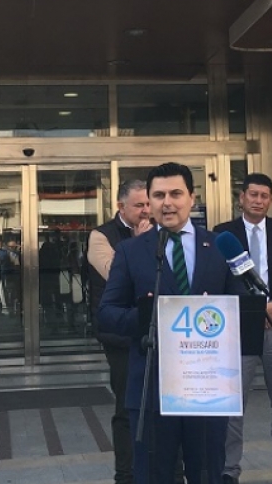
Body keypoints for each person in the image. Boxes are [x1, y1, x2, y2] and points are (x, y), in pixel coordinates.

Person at [98, 162, 245, 484]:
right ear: (149, 201)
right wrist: (149, 316)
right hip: (151, 388)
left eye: (176, 194)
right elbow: (107, 313)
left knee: (207, 474)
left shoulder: (220, 246)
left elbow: (243, 305)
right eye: (159, 195)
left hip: (207, 389)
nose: (167, 203)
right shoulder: (130, 251)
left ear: (192, 198)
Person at [214, 173, 272, 484]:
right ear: (241, 198)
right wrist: (249, 310)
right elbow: (219, 278)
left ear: (271, 200)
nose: (258, 200)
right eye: (252, 194)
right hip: (238, 331)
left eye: (264, 195)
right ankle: (228, 469)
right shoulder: (223, 233)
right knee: (231, 406)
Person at [87, 179, 153, 484]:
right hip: (122, 336)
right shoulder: (101, 236)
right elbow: (117, 274)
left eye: (148, 204)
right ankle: (126, 475)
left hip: (158, 332)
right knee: (127, 407)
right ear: (120, 206)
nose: (146, 210)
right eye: (139, 205)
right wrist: (140, 246)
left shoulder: (160, 231)